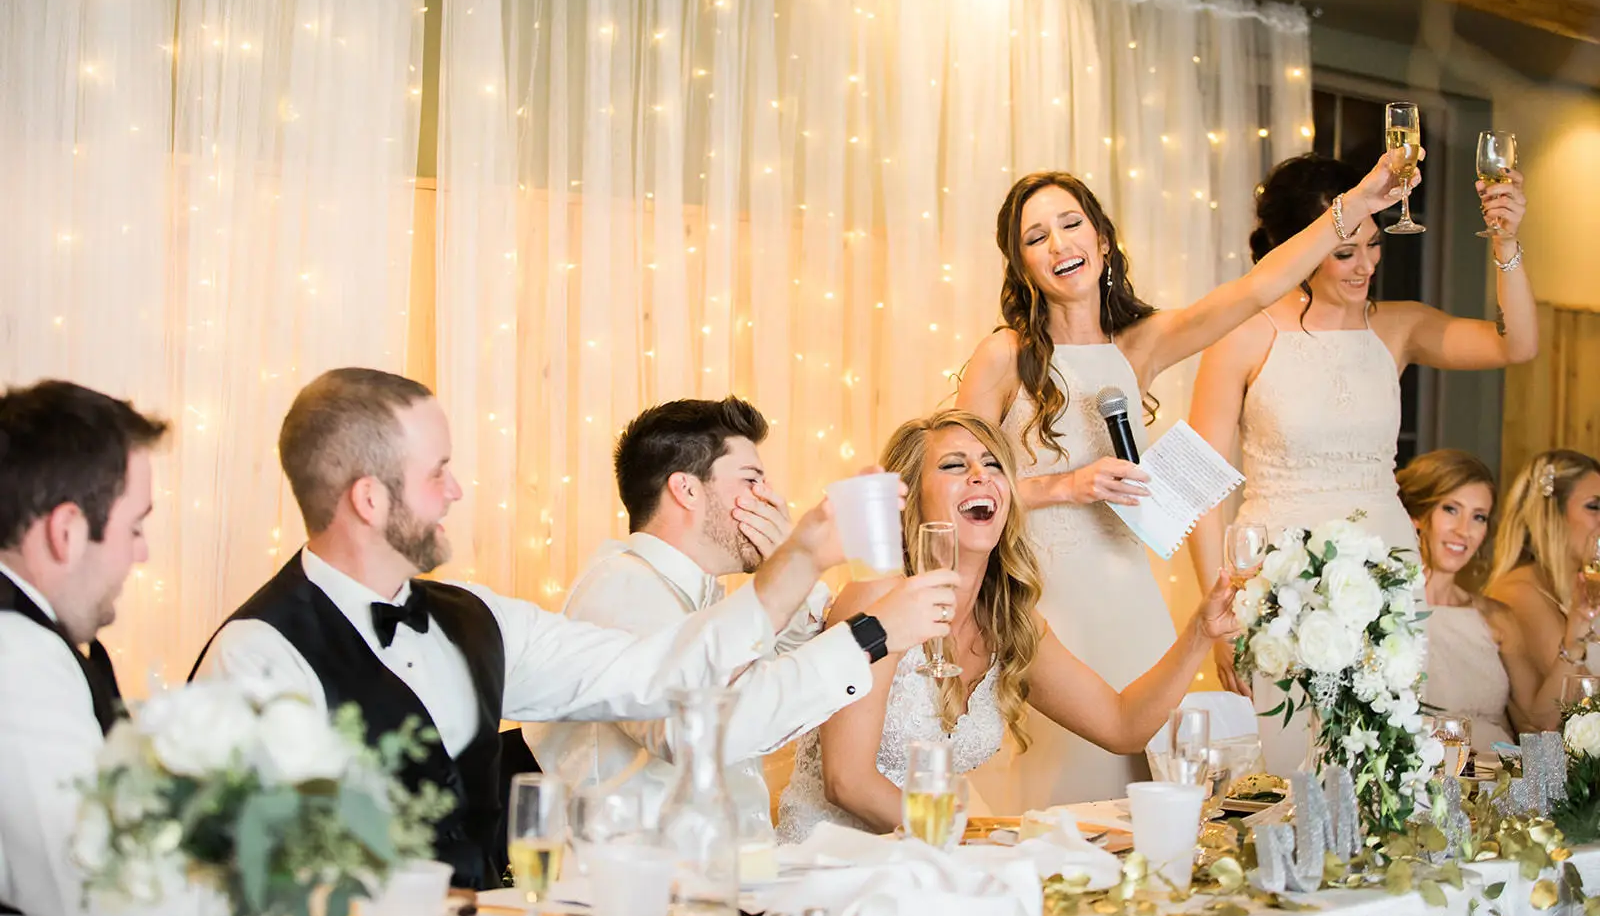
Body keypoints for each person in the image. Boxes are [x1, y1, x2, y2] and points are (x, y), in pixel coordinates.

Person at [192, 369, 953, 888]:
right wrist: (845, 610)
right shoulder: (256, 655)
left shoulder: (475, 618)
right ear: (367, 498)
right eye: (438, 473)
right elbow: (241, 880)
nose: (458, 490)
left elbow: (659, 676)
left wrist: (796, 567)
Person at [956, 149, 1418, 806]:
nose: (1058, 244)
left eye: (1070, 224)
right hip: (1048, 605)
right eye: (1037, 236)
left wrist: (1359, 205)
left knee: (1154, 796)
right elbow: (946, 484)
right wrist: (1065, 485)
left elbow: (1255, 290)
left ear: (1102, 238)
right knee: (1074, 793)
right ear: (1022, 262)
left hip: (1135, 604)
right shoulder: (1006, 355)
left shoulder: (1136, 347)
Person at [1189, 155, 1536, 765]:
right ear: (1300, 247)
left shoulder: (1396, 328)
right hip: (1279, 580)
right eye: (1346, 252)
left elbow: (1518, 344)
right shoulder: (1242, 337)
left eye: (1374, 246)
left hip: (1385, 568)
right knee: (1287, 760)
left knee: (1377, 758)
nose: (1368, 264)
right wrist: (1219, 610)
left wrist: (1507, 244)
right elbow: (1201, 486)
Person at [774, 410, 1239, 842]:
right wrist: (971, 846)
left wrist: (1201, 632)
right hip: (833, 863)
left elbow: (1122, 727)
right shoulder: (876, 600)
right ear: (911, 497)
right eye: (954, 466)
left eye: (993, 464)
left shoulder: (1011, 624)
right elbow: (847, 782)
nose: (979, 475)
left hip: (932, 861)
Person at [525, 397, 953, 828]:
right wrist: (868, 634)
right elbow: (694, 732)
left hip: (727, 871)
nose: (769, 498)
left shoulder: (709, 597)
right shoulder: (623, 588)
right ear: (687, 490)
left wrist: (791, 566)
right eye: (752, 480)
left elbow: (805, 658)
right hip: (642, 878)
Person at [0, 380, 212, 916]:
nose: (140, 553)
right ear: (66, 531)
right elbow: (98, 904)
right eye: (135, 527)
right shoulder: (17, 657)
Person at [1396, 450, 1568, 750]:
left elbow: (1540, 724)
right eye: (1451, 509)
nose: (1464, 530)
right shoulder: (1383, 611)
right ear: (1419, 517)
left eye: (1479, 517)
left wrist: (1579, 630)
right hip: (1419, 784)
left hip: (1496, 784)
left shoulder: (1496, 617)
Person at [1485, 449, 1600, 732]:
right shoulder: (1518, 593)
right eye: (1594, 507)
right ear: (1551, 514)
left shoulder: (1583, 589)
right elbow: (1572, 710)